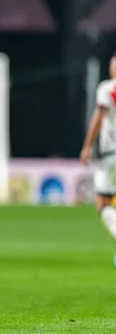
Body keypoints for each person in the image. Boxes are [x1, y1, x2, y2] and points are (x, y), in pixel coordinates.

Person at [80, 52, 116, 264]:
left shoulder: (108, 88)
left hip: (112, 154)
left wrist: (87, 146)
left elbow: (99, 117)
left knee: (102, 203)